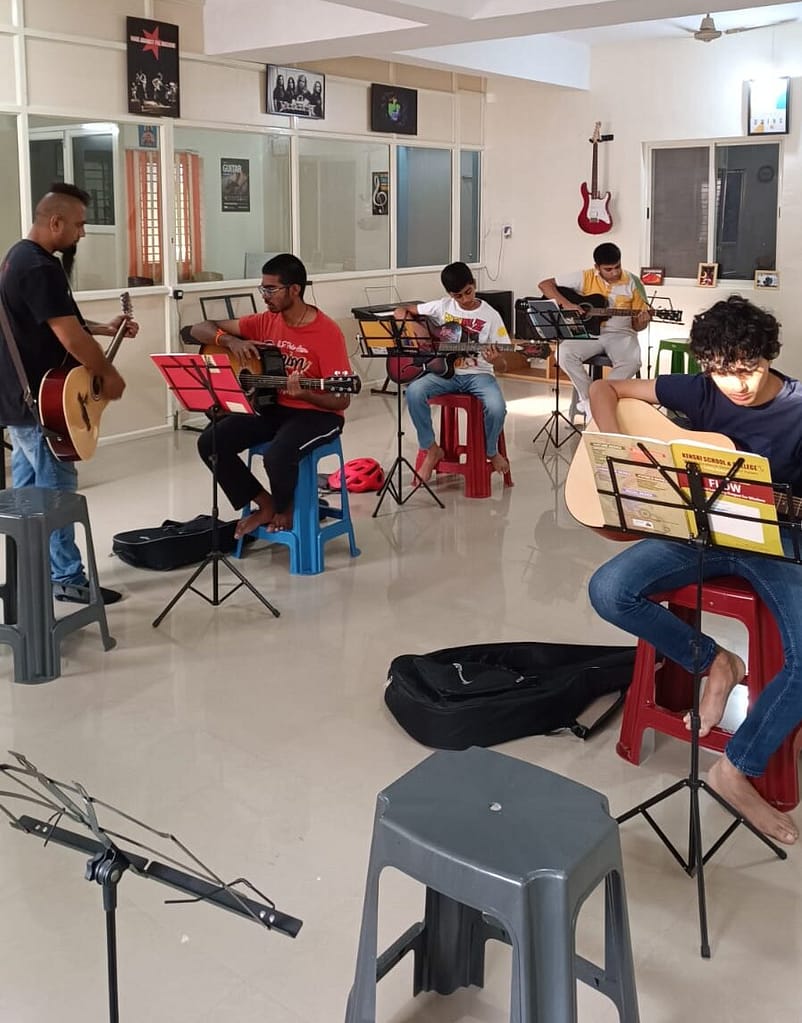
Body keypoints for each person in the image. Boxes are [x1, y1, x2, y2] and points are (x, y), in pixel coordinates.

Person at [586, 295, 802, 846]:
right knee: (609, 590)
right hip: (698, 534)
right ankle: (716, 661)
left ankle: (737, 766)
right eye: (724, 373)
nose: (739, 385)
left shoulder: (798, 406)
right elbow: (604, 388)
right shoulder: (701, 388)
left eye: (749, 369)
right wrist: (620, 446)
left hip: (774, 543)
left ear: (768, 356)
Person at [0, 182, 139, 605]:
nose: (82, 233)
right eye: (78, 224)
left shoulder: (17, 257)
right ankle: (68, 577)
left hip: (17, 401)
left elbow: (53, 321)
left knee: (28, 494)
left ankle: (32, 572)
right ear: (54, 221)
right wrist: (107, 372)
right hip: (41, 406)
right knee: (57, 494)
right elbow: (68, 335)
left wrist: (103, 328)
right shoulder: (41, 267)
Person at [187, 253, 351, 536]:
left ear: (295, 289)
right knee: (210, 442)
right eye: (262, 288)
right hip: (274, 407)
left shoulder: (327, 332)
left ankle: (284, 509)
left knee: (277, 455)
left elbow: (342, 399)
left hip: (319, 415)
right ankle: (265, 503)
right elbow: (196, 329)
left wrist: (306, 395)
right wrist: (230, 341)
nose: (264, 296)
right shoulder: (264, 321)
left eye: (271, 289)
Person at [394, 262, 509, 484]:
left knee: (497, 407)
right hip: (443, 372)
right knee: (414, 392)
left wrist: (498, 359)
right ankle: (431, 449)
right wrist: (415, 327)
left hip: (479, 375)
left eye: (468, 292)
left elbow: (504, 365)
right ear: (449, 294)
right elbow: (400, 310)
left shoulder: (491, 315)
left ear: (474, 285)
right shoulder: (442, 307)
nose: (465, 299)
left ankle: (491, 450)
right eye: (458, 296)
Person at [538, 241, 650, 418]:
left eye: (617, 267)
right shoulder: (585, 276)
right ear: (597, 267)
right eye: (608, 269)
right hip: (590, 332)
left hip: (622, 334)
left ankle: (599, 398)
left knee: (632, 361)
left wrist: (643, 321)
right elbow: (545, 285)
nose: (614, 272)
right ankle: (589, 399)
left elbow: (638, 326)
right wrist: (567, 304)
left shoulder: (632, 282)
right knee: (564, 353)